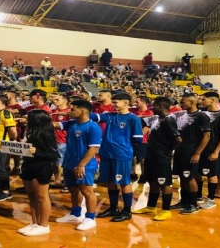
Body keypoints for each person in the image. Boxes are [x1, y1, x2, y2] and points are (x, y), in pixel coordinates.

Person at [91, 93, 143, 222]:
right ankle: (113, 208)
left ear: (126, 103)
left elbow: (138, 139)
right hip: (106, 153)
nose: (112, 105)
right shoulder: (109, 116)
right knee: (110, 182)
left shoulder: (133, 119)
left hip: (122, 155)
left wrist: (127, 149)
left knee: (124, 182)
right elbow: (94, 116)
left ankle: (127, 211)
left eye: (115, 103)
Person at [54, 100, 102, 231]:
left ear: (83, 111)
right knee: (73, 189)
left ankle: (90, 218)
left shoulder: (93, 127)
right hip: (69, 163)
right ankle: (75, 214)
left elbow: (93, 148)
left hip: (85, 165)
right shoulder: (72, 123)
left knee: (87, 191)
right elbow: (55, 125)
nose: (70, 111)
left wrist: (81, 165)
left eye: (73, 109)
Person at [133, 97, 181, 220]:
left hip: (162, 157)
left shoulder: (169, 121)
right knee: (152, 182)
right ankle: (151, 206)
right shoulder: (157, 119)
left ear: (160, 106)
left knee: (164, 183)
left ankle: (166, 210)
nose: (151, 108)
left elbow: (178, 139)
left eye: (153, 106)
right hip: (151, 155)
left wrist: (168, 151)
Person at [18, 110, 59, 236]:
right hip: (28, 165)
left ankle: (44, 225)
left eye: (29, 118)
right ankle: (34, 223)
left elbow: (54, 155)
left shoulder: (47, 135)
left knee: (42, 197)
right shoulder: (29, 133)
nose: (26, 120)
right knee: (31, 196)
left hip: (42, 167)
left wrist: (36, 152)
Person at [171, 94, 210, 214]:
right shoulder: (181, 115)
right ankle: (184, 201)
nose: (180, 104)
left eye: (183, 102)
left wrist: (197, 153)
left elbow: (206, 136)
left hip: (191, 152)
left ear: (192, 103)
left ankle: (193, 204)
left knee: (190, 178)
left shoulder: (201, 116)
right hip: (180, 151)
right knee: (182, 177)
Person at [197, 92, 220, 209]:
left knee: (211, 174)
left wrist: (216, 151)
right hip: (199, 148)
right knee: (197, 173)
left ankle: (211, 199)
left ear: (213, 100)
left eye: (204, 99)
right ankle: (198, 196)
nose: (201, 101)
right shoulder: (201, 114)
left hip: (211, 149)